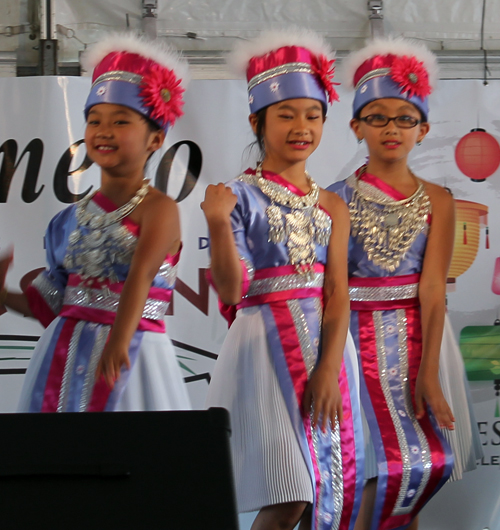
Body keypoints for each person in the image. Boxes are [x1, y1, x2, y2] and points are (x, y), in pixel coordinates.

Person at [202, 29, 364, 530]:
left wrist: (328, 368)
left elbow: (338, 294)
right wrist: (215, 223)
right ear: (257, 120)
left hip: (329, 351)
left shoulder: (333, 204)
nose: (301, 126)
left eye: (312, 115)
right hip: (262, 348)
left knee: (321, 493)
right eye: (286, 114)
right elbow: (231, 292)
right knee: (288, 493)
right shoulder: (235, 196)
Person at [328, 37, 482, 530]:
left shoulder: (438, 199)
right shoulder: (333, 199)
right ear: (356, 126)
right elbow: (331, 288)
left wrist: (429, 372)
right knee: (362, 471)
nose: (391, 128)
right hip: (351, 344)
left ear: (423, 129)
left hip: (418, 342)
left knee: (413, 468)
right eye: (377, 116)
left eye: (404, 118)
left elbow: (434, 288)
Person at [0, 34, 191, 413]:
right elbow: (50, 303)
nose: (103, 131)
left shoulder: (161, 209)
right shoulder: (65, 221)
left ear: (156, 139)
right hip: (63, 354)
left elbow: (140, 274)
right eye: (94, 120)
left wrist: (119, 339)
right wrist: (4, 295)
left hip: (134, 354)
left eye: (120, 121)